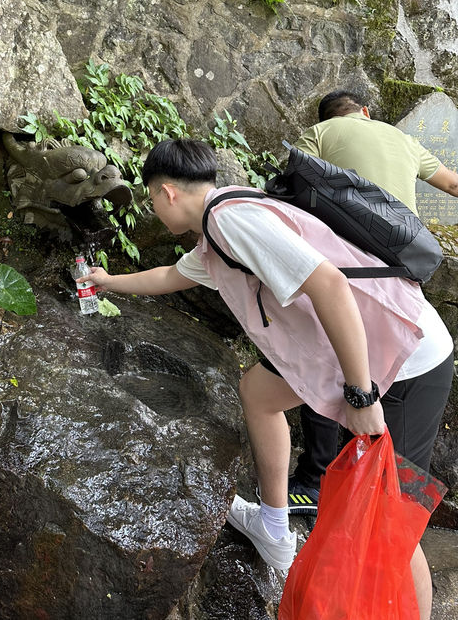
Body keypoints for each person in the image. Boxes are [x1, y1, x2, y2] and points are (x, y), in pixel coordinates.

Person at [78, 138, 453, 620]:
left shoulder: (233, 222)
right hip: (356, 350)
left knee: (392, 518)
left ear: (167, 192)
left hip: (405, 359)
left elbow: (330, 285)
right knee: (258, 391)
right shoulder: (219, 227)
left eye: (151, 198)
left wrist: (361, 394)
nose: (153, 209)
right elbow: (172, 276)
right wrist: (107, 282)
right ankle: (275, 528)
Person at [288, 89, 458, 514]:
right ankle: (374, 496)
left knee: (329, 361)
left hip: (348, 266)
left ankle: (313, 482)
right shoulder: (401, 138)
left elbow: (297, 180)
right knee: (383, 362)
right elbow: (453, 183)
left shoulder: (318, 132)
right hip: (403, 268)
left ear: (326, 117)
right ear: (366, 112)